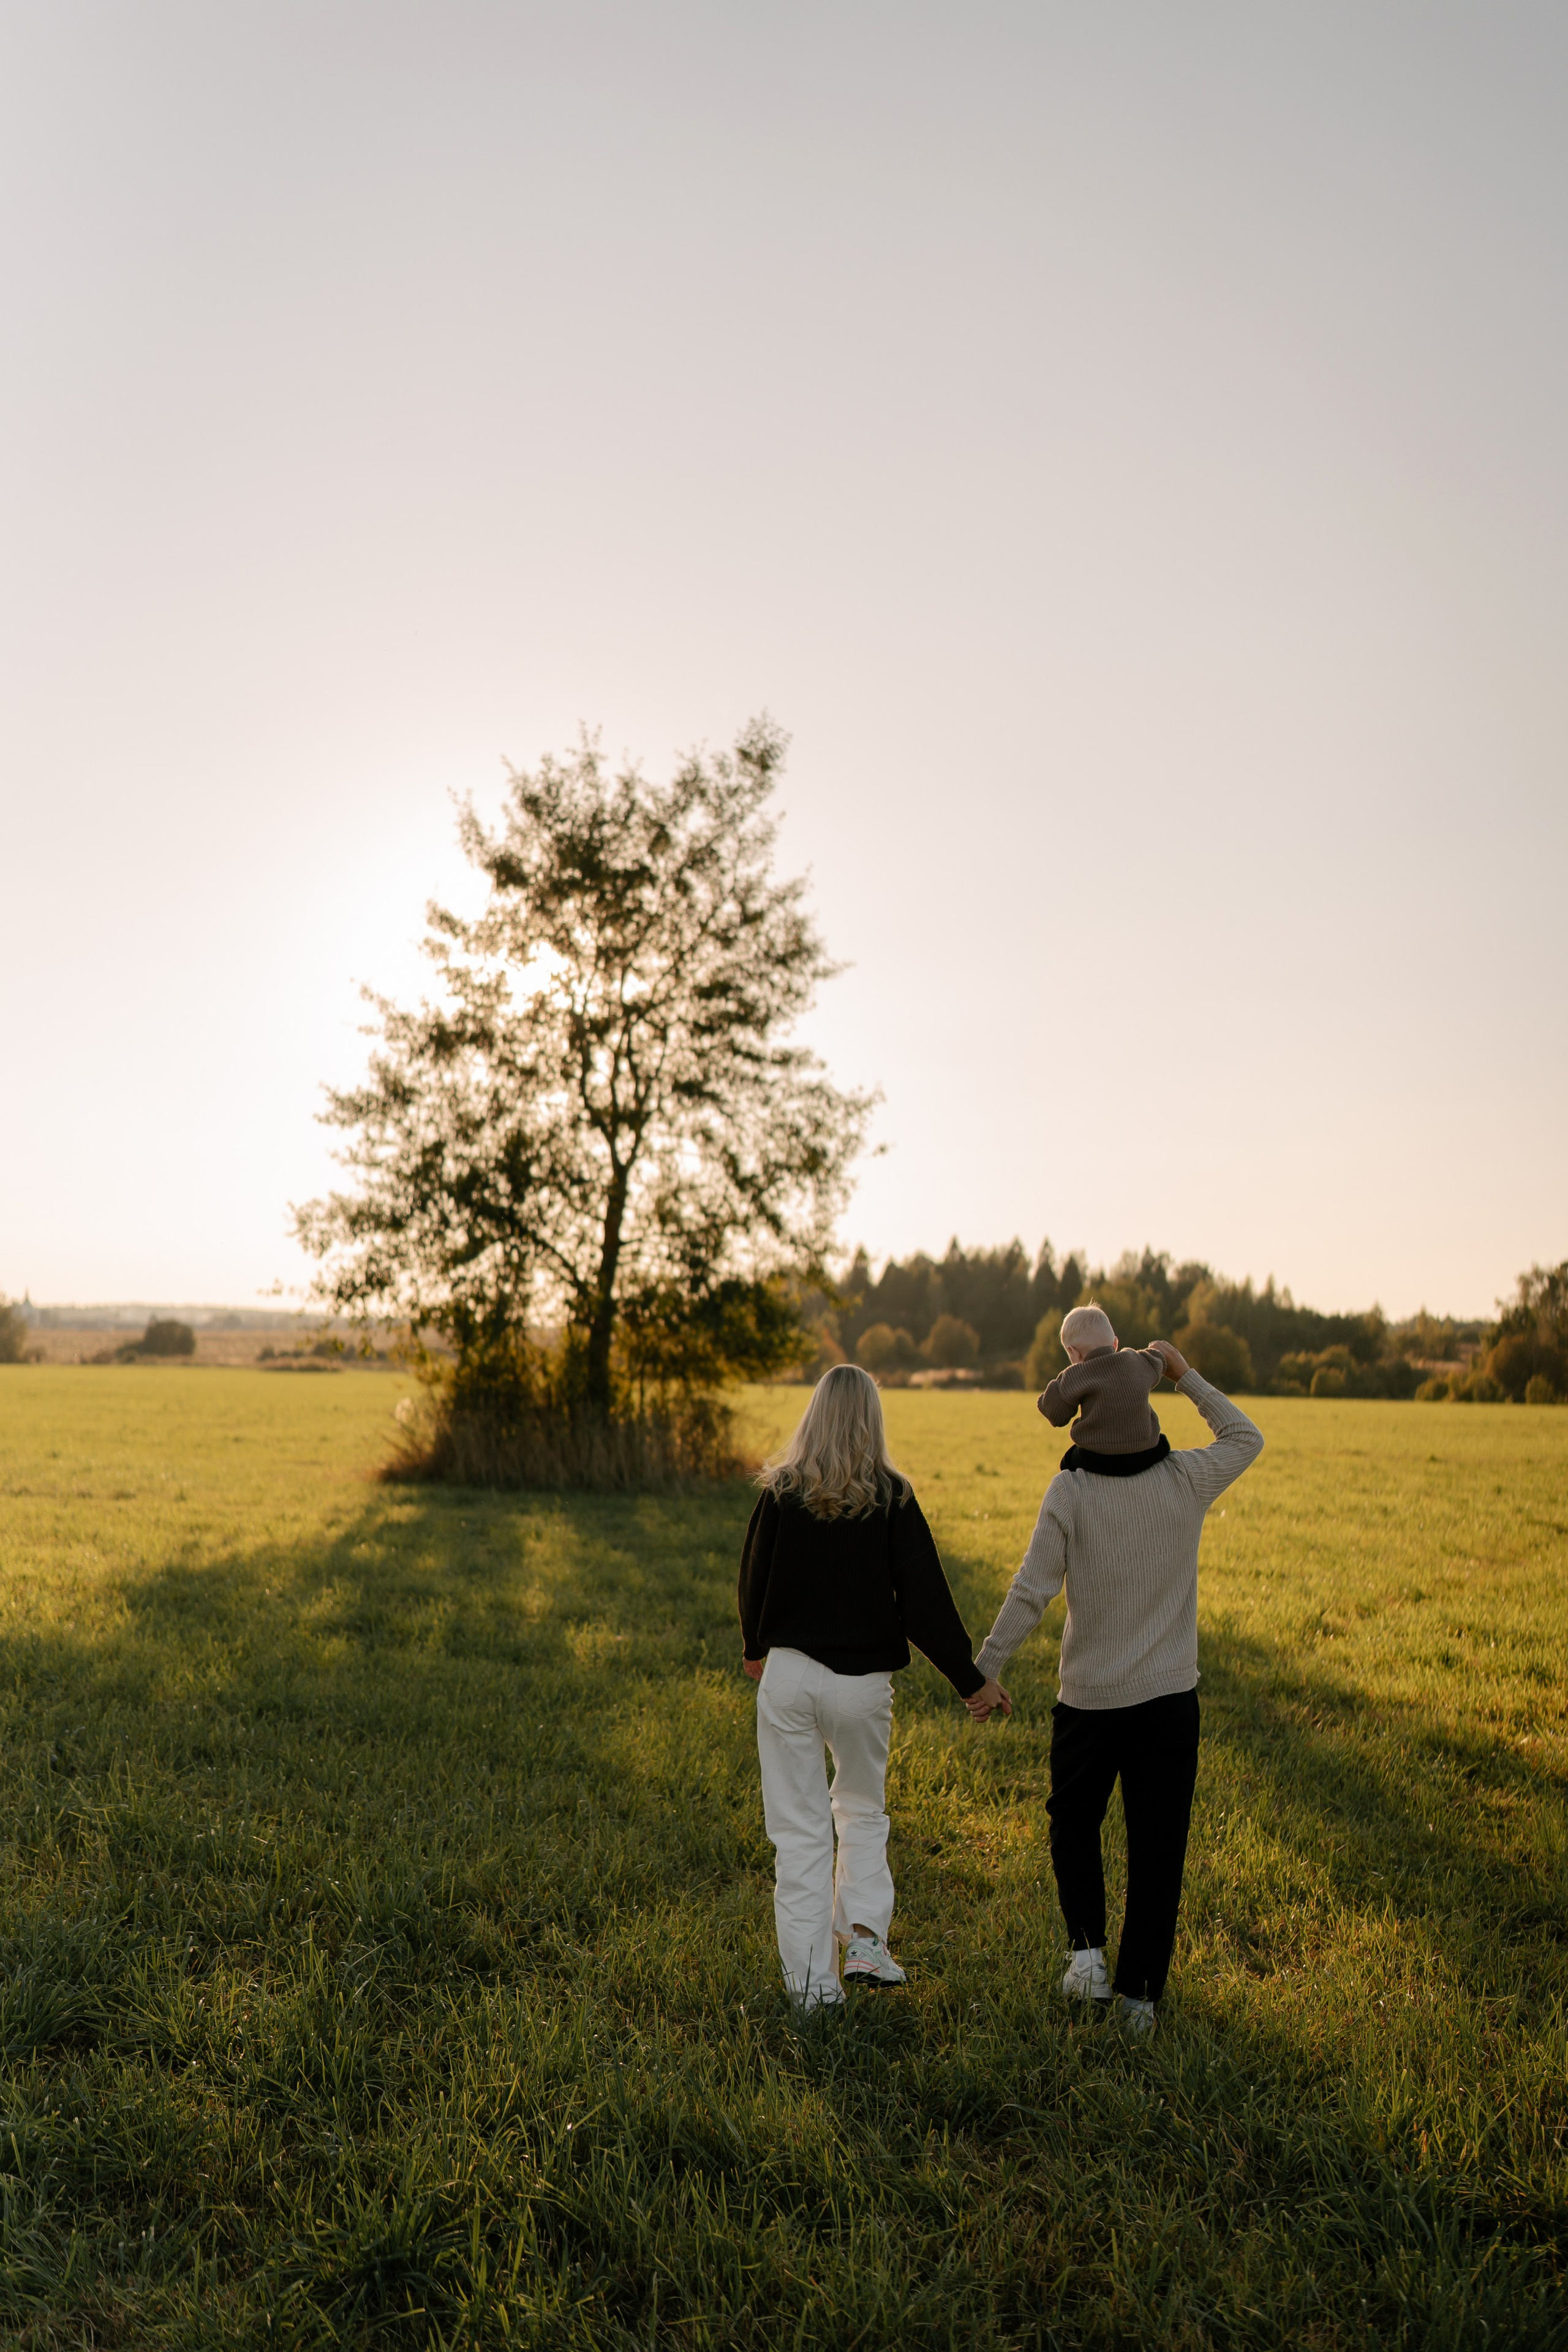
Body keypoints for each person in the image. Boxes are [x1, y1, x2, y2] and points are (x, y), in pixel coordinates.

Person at [965, 1336, 1263, 2036]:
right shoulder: (1185, 1479)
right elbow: (1244, 1437)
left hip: (1088, 1704)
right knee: (1158, 1846)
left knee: (1073, 1826)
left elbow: (1032, 1589)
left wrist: (987, 1667)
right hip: (1167, 1706)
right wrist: (1187, 1376)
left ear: (1084, 1415)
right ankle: (1138, 1999)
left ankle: (1088, 1957)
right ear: (1145, 1405)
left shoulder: (1069, 1487)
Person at [738, 1363, 1001, 2011]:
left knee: (799, 1837)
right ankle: (863, 1940)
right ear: (872, 1419)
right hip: (860, 1686)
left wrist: (754, 1649)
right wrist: (972, 1682)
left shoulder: (781, 1491)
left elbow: (752, 1577)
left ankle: (812, 1993)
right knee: (859, 1809)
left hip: (790, 1676)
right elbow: (926, 1604)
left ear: (815, 1415)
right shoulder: (893, 1496)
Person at [1038, 1302, 1168, 1464]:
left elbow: (1056, 1415)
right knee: (1163, 1443)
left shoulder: (1076, 1375)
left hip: (1099, 1458)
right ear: (1115, 1343)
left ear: (1073, 1352)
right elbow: (1158, 1360)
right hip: (1147, 1452)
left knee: (1067, 1461)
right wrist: (1157, 1350)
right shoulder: (1136, 1360)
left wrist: (1061, 1381)